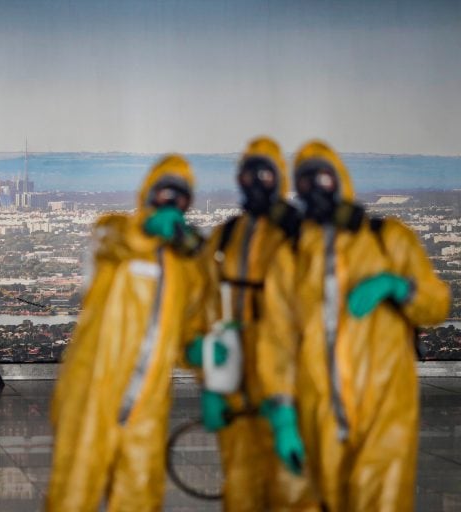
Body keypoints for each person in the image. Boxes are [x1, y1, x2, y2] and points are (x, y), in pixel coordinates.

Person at [257, 140, 451, 511]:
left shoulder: (389, 239)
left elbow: (436, 305)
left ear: (340, 179)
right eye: (306, 180)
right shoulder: (291, 256)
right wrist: (282, 414)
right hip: (316, 410)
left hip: (385, 411)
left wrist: (399, 286)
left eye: (323, 178)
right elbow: (276, 340)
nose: (316, 189)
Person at [46, 154, 207, 512]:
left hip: (146, 406)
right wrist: (147, 231)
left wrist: (201, 355)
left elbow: (188, 328)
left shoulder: (187, 271)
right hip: (92, 393)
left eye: (179, 196)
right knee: (73, 494)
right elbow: (107, 239)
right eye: (163, 192)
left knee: (138, 498)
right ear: (147, 194)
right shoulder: (117, 234)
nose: (170, 202)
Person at [184, 136, 320, 511]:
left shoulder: (299, 238)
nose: (256, 183)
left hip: (292, 385)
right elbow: (202, 305)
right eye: (249, 175)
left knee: (294, 493)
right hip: (236, 384)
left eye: (265, 174)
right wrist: (207, 372)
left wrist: (287, 404)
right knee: (242, 488)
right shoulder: (229, 236)